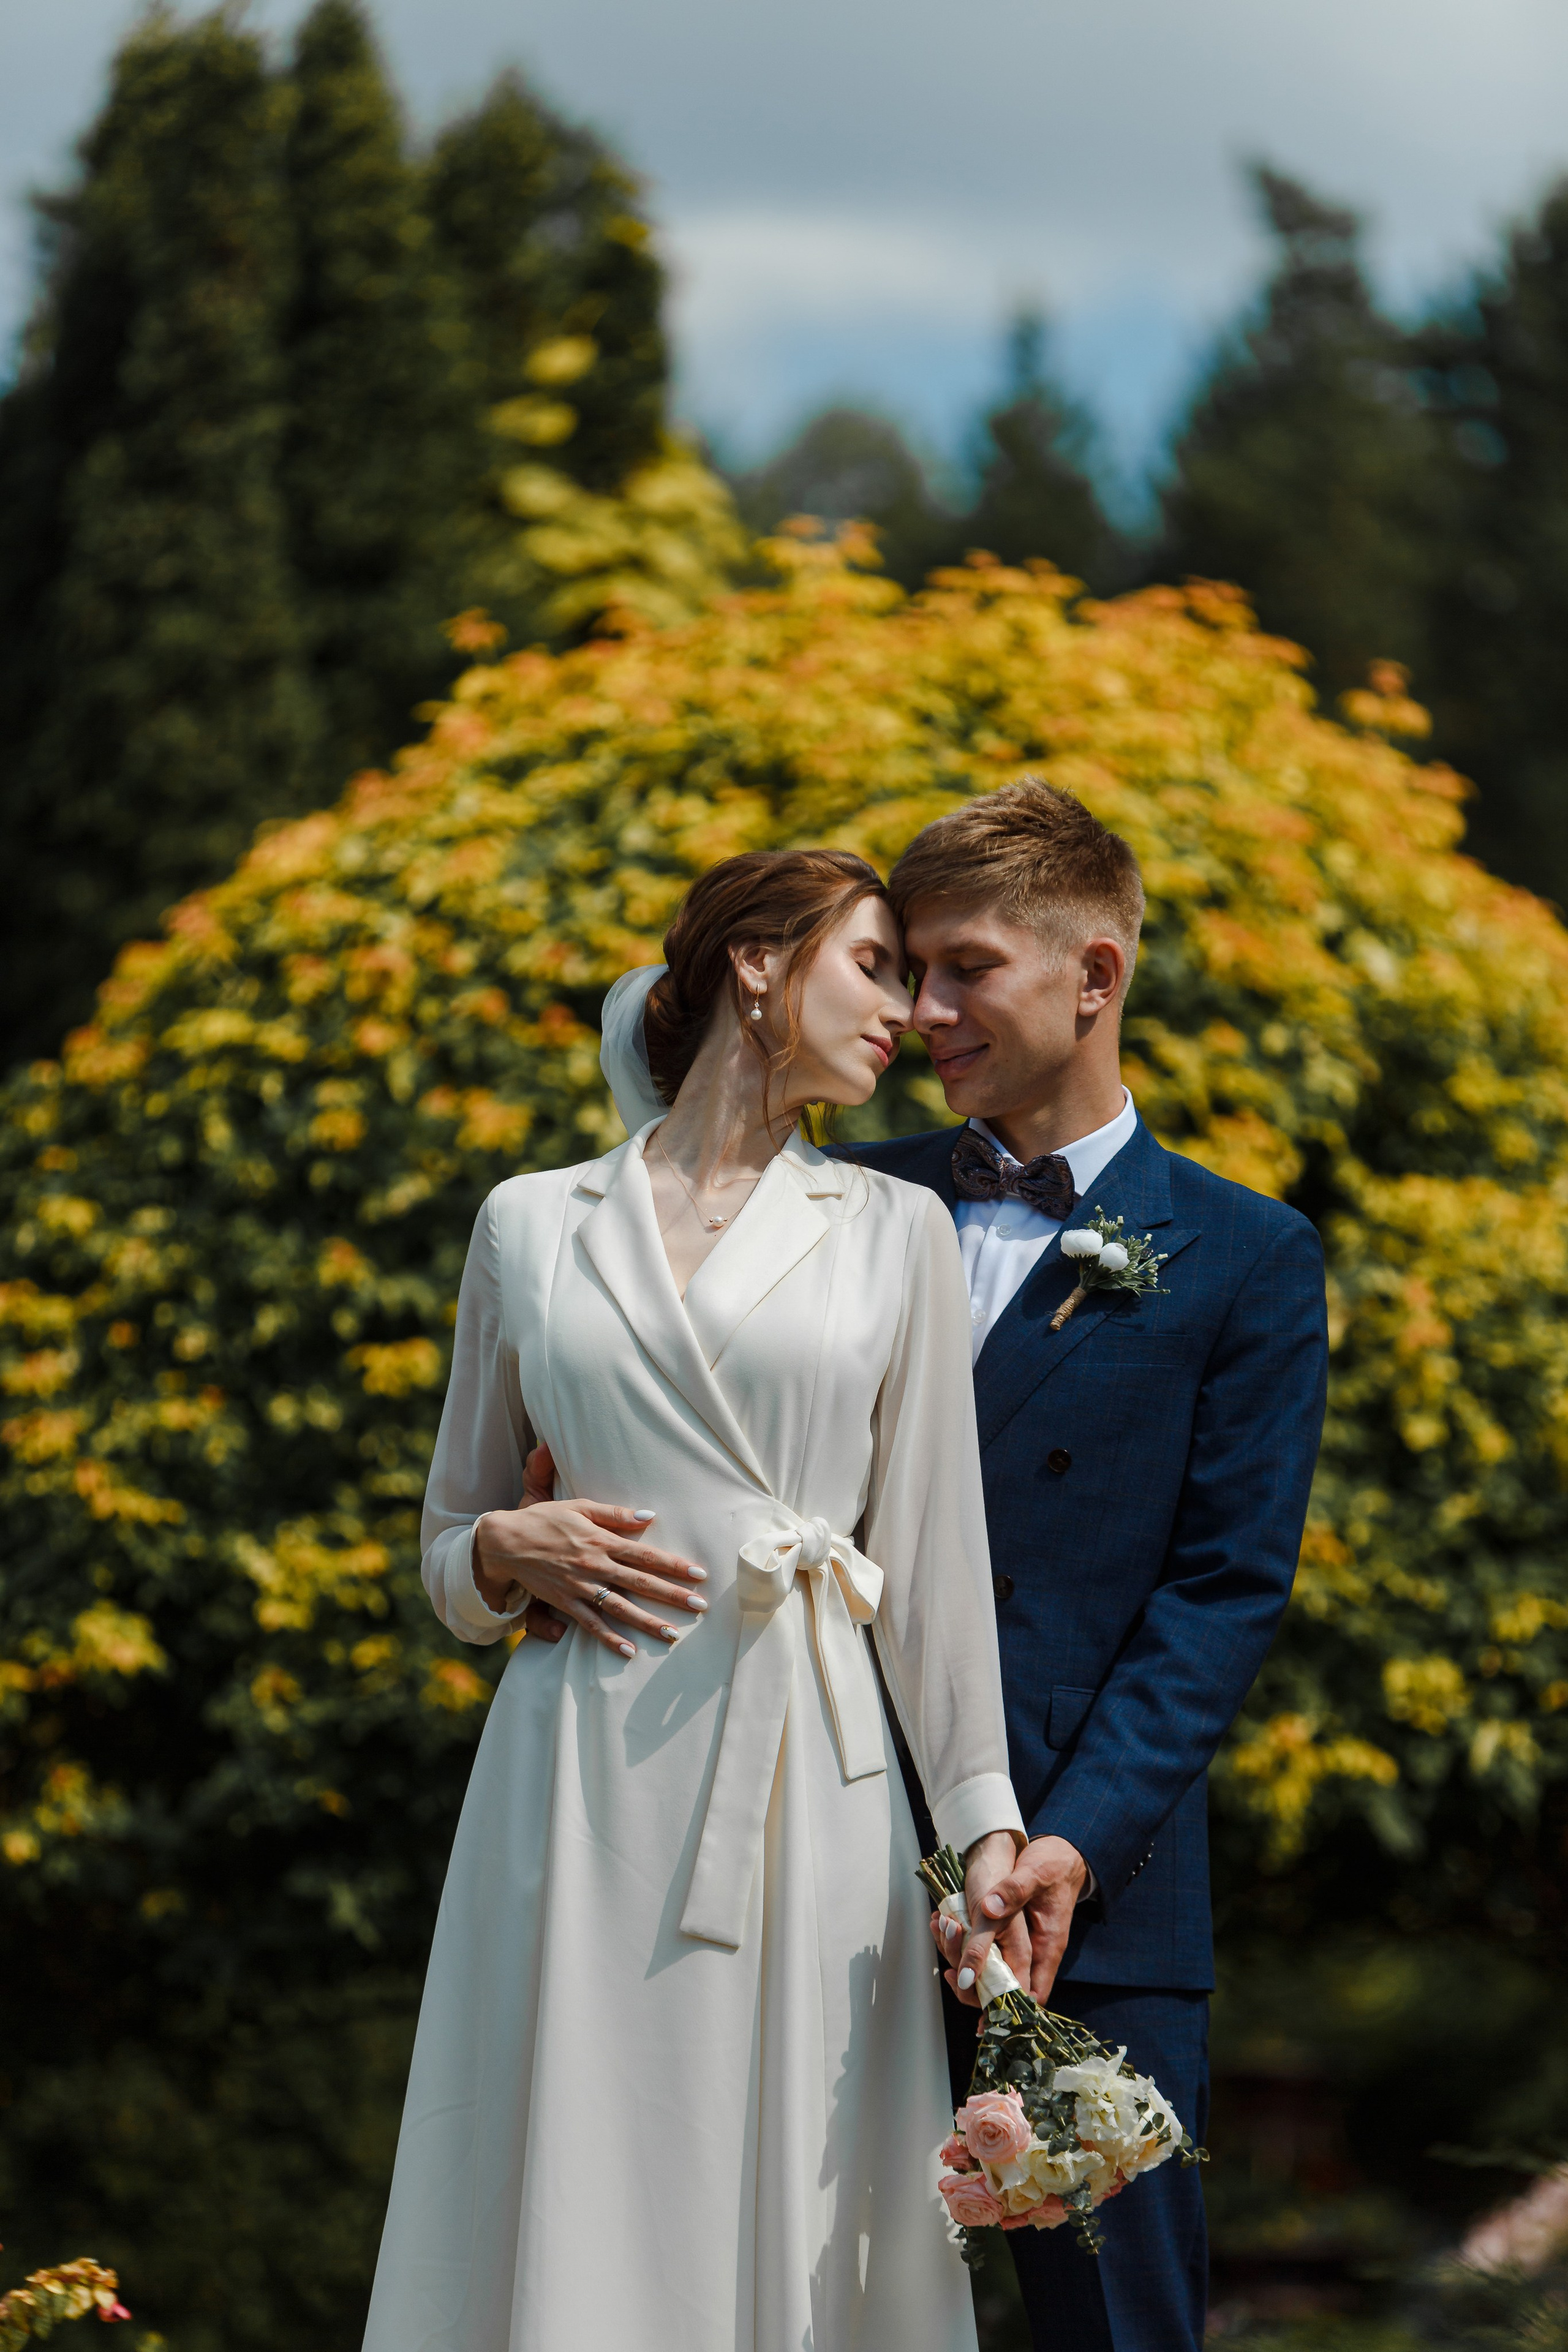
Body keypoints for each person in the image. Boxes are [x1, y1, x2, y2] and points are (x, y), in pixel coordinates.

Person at [361, 849, 1027, 2352]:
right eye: (873, 965)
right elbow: (448, 1546)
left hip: (807, 1769)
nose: (910, 1013)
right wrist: (504, 1554)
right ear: (755, 966)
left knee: (792, 2194)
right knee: (573, 2166)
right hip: (577, 1766)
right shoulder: (529, 1223)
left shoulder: (887, 1228)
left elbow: (926, 1569)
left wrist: (979, 1826)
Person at [854, 779, 1330, 2352]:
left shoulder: (1247, 1255)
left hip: (1086, 1909)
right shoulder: (844, 1213)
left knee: (1105, 2331)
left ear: (1094, 975)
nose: (922, 1010)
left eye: (963, 966)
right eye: (907, 970)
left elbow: (1222, 1588)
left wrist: (1067, 1838)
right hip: (829, 1867)